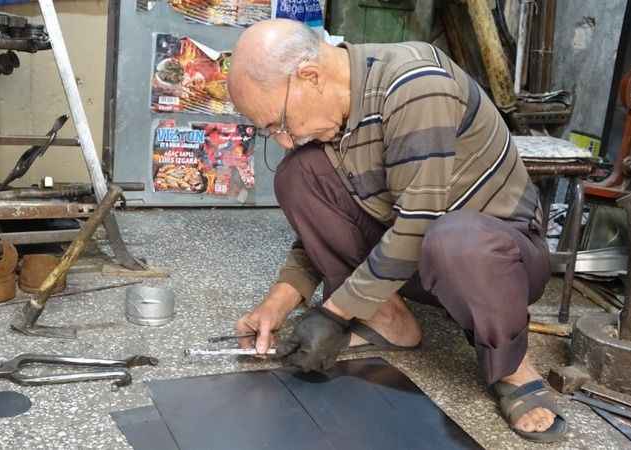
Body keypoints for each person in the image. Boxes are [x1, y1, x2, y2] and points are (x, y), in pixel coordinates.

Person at [228, 19, 567, 443]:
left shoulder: (415, 84)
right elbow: (332, 223)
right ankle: (388, 317)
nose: (283, 140)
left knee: (455, 239)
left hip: (497, 263)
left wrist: (333, 314)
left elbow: (418, 224)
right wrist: (279, 301)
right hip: (419, 259)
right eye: (269, 132)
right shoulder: (337, 114)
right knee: (299, 174)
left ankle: (512, 365)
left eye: (278, 123)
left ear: (310, 76)